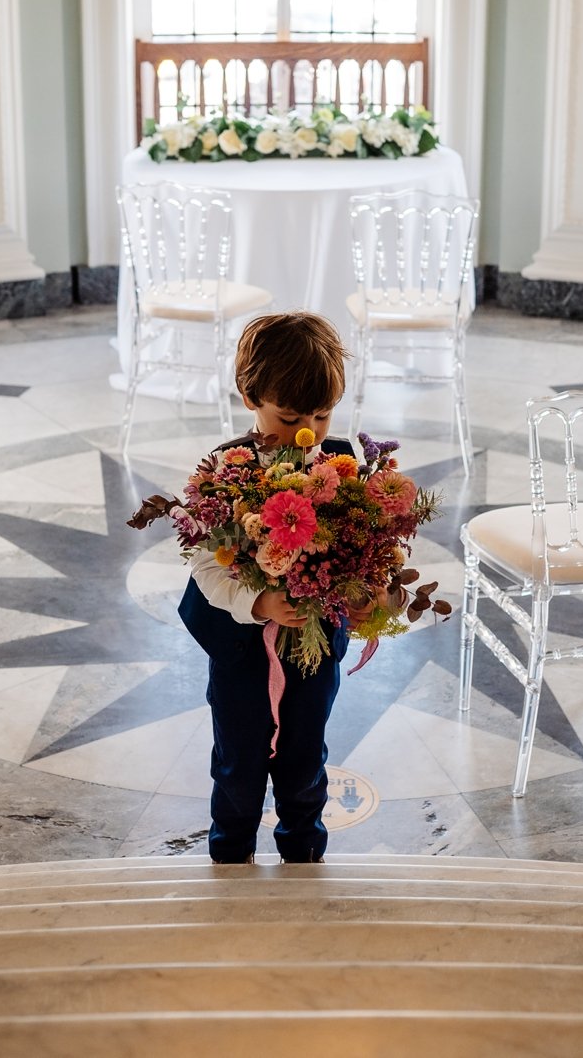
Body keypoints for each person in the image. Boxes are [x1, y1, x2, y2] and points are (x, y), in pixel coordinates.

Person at [177, 311, 357, 865]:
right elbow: (205, 566)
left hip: (314, 644)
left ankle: (303, 847)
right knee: (238, 753)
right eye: (289, 416)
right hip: (238, 647)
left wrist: (375, 581)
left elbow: (374, 547)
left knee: (306, 752)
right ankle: (230, 851)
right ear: (250, 395)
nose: (308, 431)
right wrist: (257, 601)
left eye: (322, 415)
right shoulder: (225, 471)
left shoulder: (344, 465)